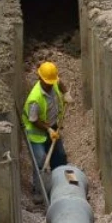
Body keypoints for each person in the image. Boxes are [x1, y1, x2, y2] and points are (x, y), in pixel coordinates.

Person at [22, 61, 69, 201]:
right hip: (37, 132)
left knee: (60, 155)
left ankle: (61, 184)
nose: (50, 85)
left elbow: (59, 83)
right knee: (41, 161)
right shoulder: (35, 99)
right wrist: (48, 129)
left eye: (51, 82)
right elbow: (33, 119)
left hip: (53, 126)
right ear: (40, 79)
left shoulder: (53, 81)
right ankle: (39, 192)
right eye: (47, 82)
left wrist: (66, 93)